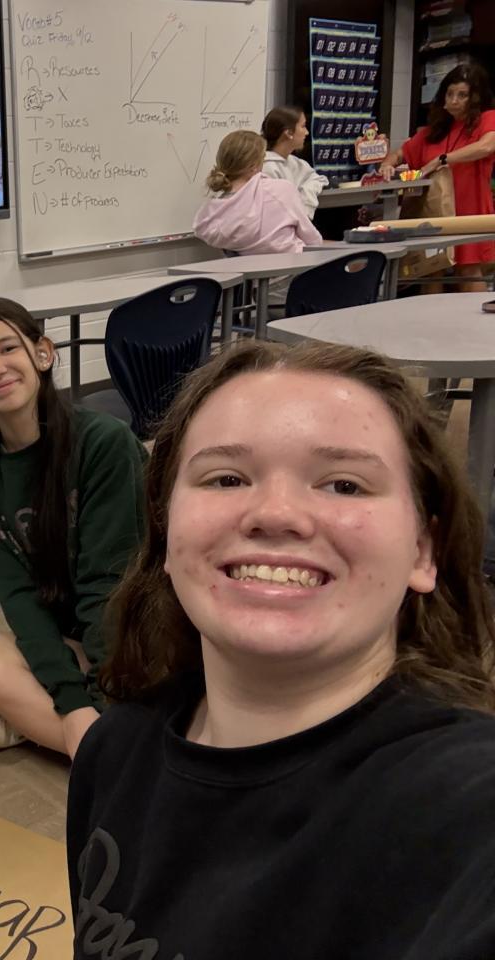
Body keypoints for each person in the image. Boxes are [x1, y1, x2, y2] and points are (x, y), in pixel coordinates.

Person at [67, 340, 495, 959]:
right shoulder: (112, 752)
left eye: (344, 484)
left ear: (422, 551)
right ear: (165, 531)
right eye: (227, 478)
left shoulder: (465, 808)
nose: (276, 513)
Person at [0, 297, 145, 759]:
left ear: (42, 353)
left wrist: (98, 696)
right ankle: (106, 750)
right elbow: (19, 599)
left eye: (8, 349)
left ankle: (79, 735)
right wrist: (73, 702)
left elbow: (109, 585)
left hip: (135, 628)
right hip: (75, 639)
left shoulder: (102, 442)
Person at [380, 62, 495, 292]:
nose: (454, 100)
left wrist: (441, 160)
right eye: (450, 94)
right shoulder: (433, 131)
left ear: (475, 98)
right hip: (434, 210)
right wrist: (386, 165)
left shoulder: (487, 119)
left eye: (462, 95)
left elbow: (486, 146)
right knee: (431, 268)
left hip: (469, 209)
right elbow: (400, 153)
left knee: (468, 269)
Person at [194, 129, 323, 259]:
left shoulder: (213, 215)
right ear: (253, 165)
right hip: (296, 267)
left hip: (247, 271)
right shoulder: (281, 190)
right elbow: (312, 240)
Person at [261, 105, 327, 217]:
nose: (307, 132)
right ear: (288, 133)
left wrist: (307, 195)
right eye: (303, 126)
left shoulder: (296, 163)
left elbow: (318, 179)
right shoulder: (266, 167)